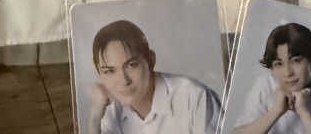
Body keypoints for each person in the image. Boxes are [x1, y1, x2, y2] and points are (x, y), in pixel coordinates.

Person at [87, 19, 221, 134]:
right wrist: (94, 118)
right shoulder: (108, 112)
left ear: (151, 60)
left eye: (132, 65)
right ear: (99, 74)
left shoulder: (194, 98)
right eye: (110, 71)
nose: (124, 81)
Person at [231, 23, 311, 134]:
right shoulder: (265, 87)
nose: (288, 73)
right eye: (279, 64)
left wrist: (304, 112)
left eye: (296, 60)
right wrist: (276, 111)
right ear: (272, 69)